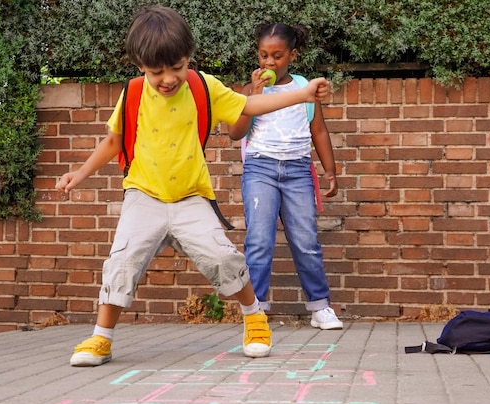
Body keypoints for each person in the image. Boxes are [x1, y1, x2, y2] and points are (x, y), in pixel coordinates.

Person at [56, 6, 332, 367]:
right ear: (140, 64)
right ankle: (101, 338)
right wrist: (80, 173)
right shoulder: (134, 93)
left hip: (190, 198)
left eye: (177, 67)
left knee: (223, 258)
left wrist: (302, 94)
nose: (168, 79)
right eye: (157, 72)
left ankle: (254, 317)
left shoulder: (204, 86)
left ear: (189, 58)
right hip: (144, 196)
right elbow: (112, 141)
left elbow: (250, 103)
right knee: (121, 261)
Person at [228, 23, 343, 330]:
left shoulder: (304, 88)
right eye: (264, 55)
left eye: (277, 56)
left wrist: (329, 170)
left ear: (292, 55)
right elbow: (234, 133)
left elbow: (317, 130)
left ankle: (320, 307)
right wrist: (253, 94)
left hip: (297, 171)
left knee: (306, 241)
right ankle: (257, 310)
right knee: (259, 241)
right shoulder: (250, 91)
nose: (269, 62)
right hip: (260, 169)